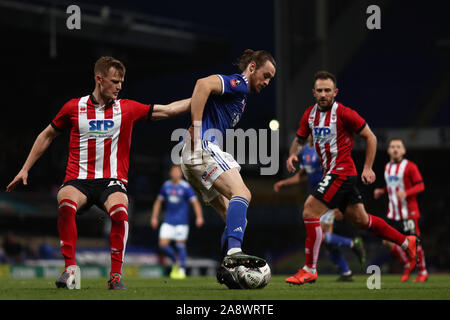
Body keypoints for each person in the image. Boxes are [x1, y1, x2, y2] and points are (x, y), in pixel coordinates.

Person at [6, 56, 191, 290]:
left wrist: (201, 98)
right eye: (115, 81)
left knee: (120, 211)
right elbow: (47, 135)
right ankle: (70, 270)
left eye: (122, 82)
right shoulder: (74, 107)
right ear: (99, 79)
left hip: (111, 181)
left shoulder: (127, 108)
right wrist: (25, 168)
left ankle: (115, 276)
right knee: (65, 202)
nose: (120, 86)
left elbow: (168, 110)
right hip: (78, 180)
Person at [284, 70, 418, 285]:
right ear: (314, 92)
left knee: (309, 210)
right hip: (335, 175)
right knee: (362, 221)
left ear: (335, 92)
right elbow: (300, 140)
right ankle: (406, 241)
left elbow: (370, 137)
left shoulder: (345, 113)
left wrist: (368, 167)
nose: (323, 94)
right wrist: (293, 154)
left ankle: (309, 269)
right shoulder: (309, 114)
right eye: (319, 90)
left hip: (342, 172)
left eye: (328, 90)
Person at [179, 49, 276, 287]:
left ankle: (227, 269)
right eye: (266, 75)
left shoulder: (240, 97)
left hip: (189, 159)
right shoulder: (239, 83)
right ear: (252, 67)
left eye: (270, 79)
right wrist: (198, 126)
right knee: (242, 193)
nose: (266, 82)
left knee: (231, 216)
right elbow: (202, 84)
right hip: (202, 147)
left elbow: (200, 98)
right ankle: (233, 254)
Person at [274, 136, 366, 281]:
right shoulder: (305, 151)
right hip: (317, 199)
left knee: (320, 237)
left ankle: (352, 243)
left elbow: (337, 175)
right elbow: (302, 176)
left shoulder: (324, 149)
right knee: (326, 242)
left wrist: (338, 204)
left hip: (328, 197)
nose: (310, 131)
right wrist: (284, 183)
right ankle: (346, 273)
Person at [374, 138, 428, 282]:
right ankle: (407, 263)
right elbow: (392, 186)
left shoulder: (410, 166)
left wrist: (406, 193)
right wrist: (382, 191)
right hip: (393, 212)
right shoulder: (387, 167)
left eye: (398, 147)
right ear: (388, 150)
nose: (395, 149)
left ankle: (423, 272)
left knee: (415, 242)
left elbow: (421, 185)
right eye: (392, 147)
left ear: (403, 151)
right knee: (387, 241)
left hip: (408, 213)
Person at [150, 165, 204, 279]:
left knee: (180, 245)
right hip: (168, 221)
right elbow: (158, 202)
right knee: (162, 245)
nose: (175, 173)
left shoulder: (186, 187)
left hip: (182, 222)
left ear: (180, 174)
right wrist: (154, 217)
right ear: (170, 173)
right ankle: (175, 262)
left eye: (177, 172)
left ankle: (182, 270)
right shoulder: (166, 186)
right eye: (173, 171)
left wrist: (199, 217)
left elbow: (195, 203)